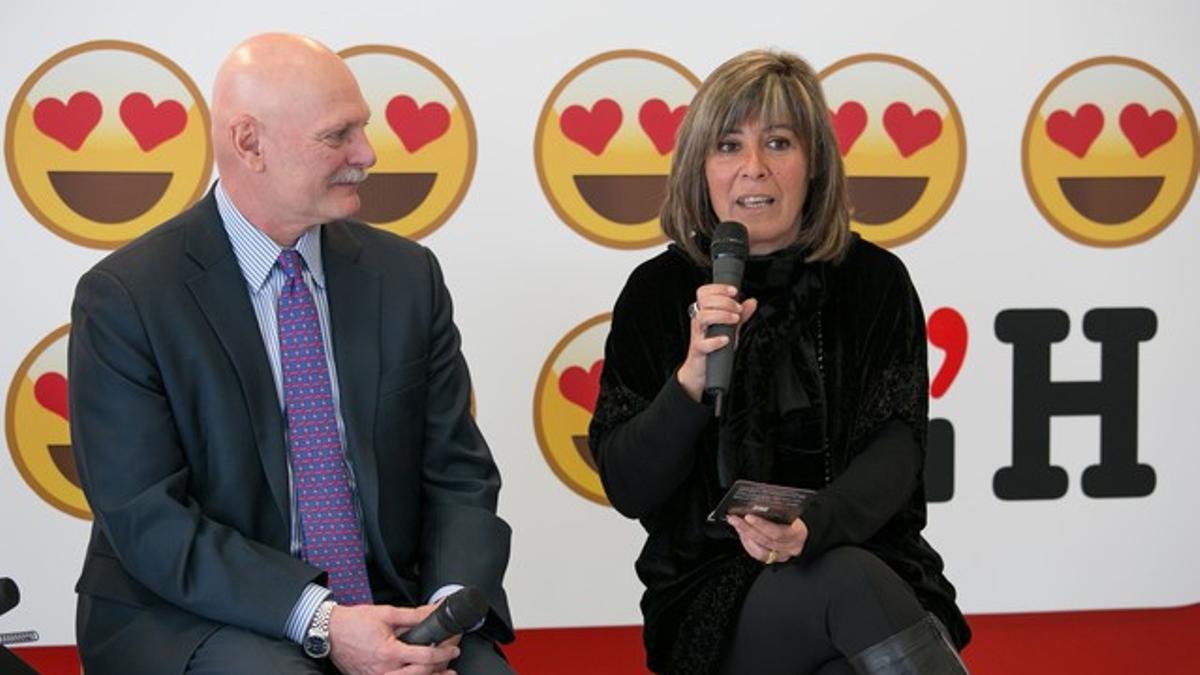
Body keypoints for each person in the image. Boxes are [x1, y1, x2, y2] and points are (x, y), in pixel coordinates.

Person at [68, 33, 513, 675]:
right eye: (338, 136)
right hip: (194, 615)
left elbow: (459, 474)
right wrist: (322, 619)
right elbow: (148, 521)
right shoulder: (127, 297)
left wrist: (445, 610)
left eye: (363, 129)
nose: (368, 154)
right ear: (250, 143)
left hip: (388, 604)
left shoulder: (407, 276)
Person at [589, 49, 971, 674]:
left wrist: (808, 528)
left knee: (851, 638)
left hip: (866, 555)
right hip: (713, 587)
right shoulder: (657, 292)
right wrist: (688, 381)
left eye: (778, 142)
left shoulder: (874, 280)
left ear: (813, 162)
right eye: (729, 146)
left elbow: (898, 450)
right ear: (700, 168)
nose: (754, 169)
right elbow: (629, 485)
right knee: (850, 587)